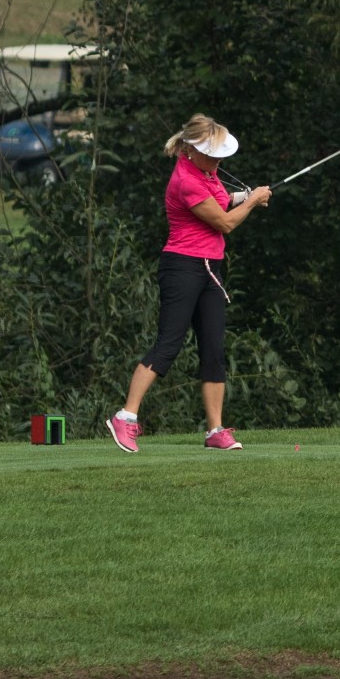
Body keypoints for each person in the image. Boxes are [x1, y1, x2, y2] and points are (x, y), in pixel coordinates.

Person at [107, 114, 271, 453]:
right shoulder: (186, 180)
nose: (218, 161)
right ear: (192, 151)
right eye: (212, 154)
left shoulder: (205, 172)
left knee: (213, 349)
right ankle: (125, 416)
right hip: (182, 267)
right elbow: (225, 223)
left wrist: (245, 196)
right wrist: (253, 201)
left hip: (209, 268)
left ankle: (215, 431)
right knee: (168, 345)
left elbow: (222, 201)